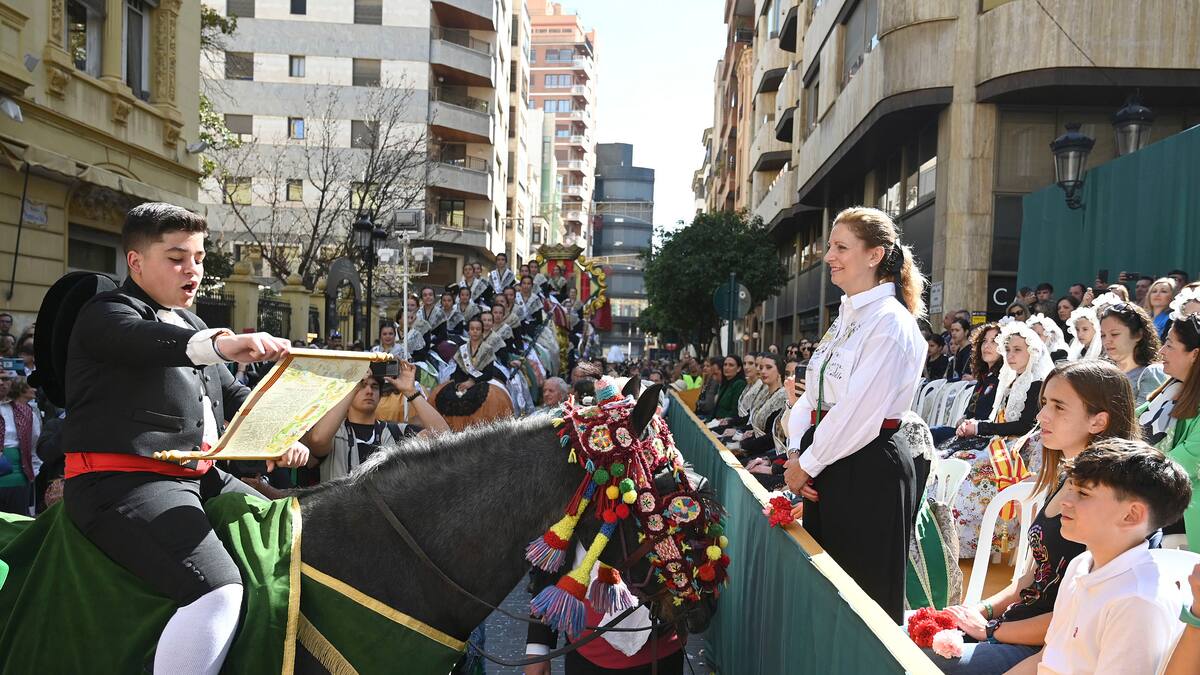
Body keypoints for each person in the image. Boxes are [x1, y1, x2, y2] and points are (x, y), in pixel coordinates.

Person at [59, 203, 309, 675]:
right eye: (176, 258)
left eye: (198, 257)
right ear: (135, 262)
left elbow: (234, 396)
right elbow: (144, 339)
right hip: (120, 484)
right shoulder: (104, 313)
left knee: (290, 533)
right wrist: (220, 344)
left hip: (201, 478)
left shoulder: (192, 324)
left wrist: (281, 434)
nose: (192, 269)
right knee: (218, 590)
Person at [929, 359, 1143, 674]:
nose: (1042, 416)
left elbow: (1076, 618)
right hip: (1010, 629)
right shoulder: (1066, 478)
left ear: (1098, 421)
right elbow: (1029, 581)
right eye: (1044, 404)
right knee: (901, 631)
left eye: (1059, 406)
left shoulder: (1110, 502)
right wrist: (977, 611)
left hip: (1044, 649)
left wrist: (990, 630)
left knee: (906, 654)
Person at [782, 206, 927, 622]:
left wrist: (808, 463)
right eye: (830, 246)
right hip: (831, 462)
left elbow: (860, 412)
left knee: (862, 606)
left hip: (868, 468)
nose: (829, 256)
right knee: (826, 599)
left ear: (874, 255)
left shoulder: (890, 322)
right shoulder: (846, 317)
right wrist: (797, 452)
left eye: (841, 247)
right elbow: (811, 395)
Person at [1006, 439, 1191, 675]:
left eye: (1083, 493)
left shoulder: (1137, 601)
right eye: (1070, 487)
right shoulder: (1081, 564)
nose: (1065, 501)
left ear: (1131, 515)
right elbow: (1046, 660)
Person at [949, 322, 1052, 557]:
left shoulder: (1036, 383)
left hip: (1020, 451)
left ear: (1032, 352)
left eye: (1017, 350)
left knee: (970, 476)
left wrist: (980, 427)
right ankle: (954, 538)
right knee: (957, 459)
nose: (1011, 355)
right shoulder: (1012, 380)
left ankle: (977, 541)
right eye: (1008, 349)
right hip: (1002, 446)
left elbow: (1025, 425)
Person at [303, 362, 447, 482]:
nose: (369, 391)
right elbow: (318, 440)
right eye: (363, 385)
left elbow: (443, 436)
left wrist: (410, 391)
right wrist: (353, 386)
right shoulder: (334, 434)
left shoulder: (396, 432)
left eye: (375, 386)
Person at [1139, 314, 1200, 548]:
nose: (1161, 351)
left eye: (1170, 345)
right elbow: (1129, 423)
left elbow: (1182, 464)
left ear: (1194, 354)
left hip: (1188, 524)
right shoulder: (1170, 392)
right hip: (1163, 511)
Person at [1097, 302, 1166, 405]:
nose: (1107, 341)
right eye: (1103, 335)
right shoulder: (1102, 373)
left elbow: (1145, 413)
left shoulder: (1151, 373)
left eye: (1114, 334)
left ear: (1138, 334)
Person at [0, 370, 40, 515]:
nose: (1, 383)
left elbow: (34, 446)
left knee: (18, 523)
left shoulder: (27, 412)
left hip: (19, 480)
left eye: (5, 379)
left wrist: (34, 472)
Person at [1144, 276, 1178, 341]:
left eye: (1163, 291)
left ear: (1172, 296)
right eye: (1154, 291)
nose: (1157, 294)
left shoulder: (1172, 320)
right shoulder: (1144, 318)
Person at [713, 355, 747, 420]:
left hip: (726, 422)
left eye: (731, 365)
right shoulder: (725, 383)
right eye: (725, 365)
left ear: (738, 369)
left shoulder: (739, 384)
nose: (726, 368)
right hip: (716, 420)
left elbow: (735, 411)